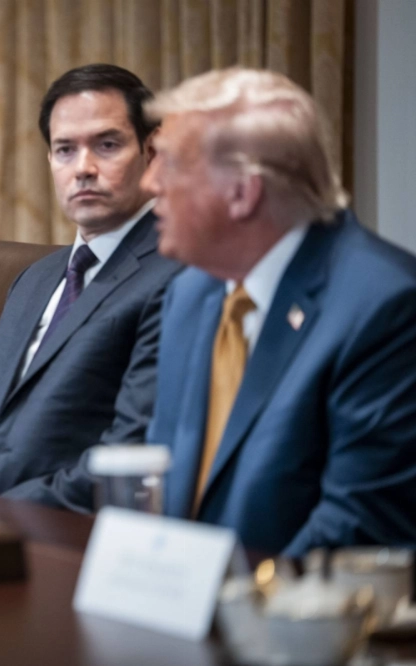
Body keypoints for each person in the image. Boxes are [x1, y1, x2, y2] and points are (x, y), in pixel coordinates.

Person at [142, 68, 416, 556]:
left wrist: (220, 610)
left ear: (243, 193)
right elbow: (165, 486)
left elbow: (358, 530)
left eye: (170, 165)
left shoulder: (384, 305)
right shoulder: (189, 293)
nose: (149, 183)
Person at [0, 64, 182, 503]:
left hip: (63, 535)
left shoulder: (177, 276)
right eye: (65, 149)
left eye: (107, 145)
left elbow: (126, 455)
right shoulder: (33, 279)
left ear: (153, 151)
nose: (83, 168)